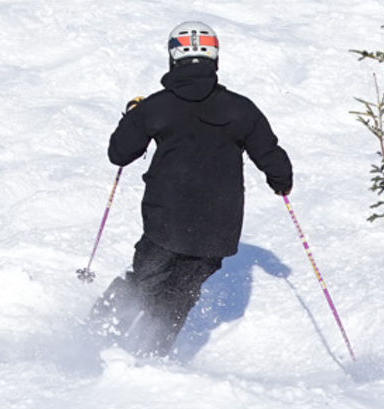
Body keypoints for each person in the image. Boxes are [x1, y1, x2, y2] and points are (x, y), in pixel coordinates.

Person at [94, 20, 293, 359]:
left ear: (174, 58)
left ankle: (97, 336)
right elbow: (272, 158)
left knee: (144, 279)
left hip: (165, 218)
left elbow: (119, 154)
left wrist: (132, 116)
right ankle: (152, 354)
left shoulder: (155, 106)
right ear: (214, 58)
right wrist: (280, 182)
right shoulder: (240, 108)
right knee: (180, 292)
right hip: (218, 225)